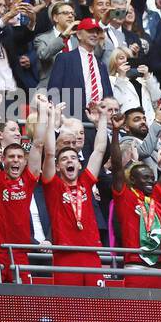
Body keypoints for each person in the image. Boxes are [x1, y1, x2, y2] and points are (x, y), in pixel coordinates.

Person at [107, 104, 161, 288]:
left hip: (160, 269)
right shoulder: (125, 197)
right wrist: (117, 132)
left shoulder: (154, 198)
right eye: (146, 179)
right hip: (135, 268)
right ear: (133, 181)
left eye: (152, 178)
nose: (151, 182)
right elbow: (118, 166)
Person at [41, 98, 108, 286]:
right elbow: (49, 153)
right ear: (58, 166)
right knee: (68, 310)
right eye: (64, 159)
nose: (69, 161)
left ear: (79, 164)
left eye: (73, 158)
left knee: (97, 308)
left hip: (91, 254)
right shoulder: (53, 186)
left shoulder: (85, 182)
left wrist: (102, 120)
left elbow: (99, 150)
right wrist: (52, 124)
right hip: (65, 255)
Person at [0, 93, 43, 283]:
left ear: (24, 162)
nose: (15, 160)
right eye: (11, 157)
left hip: (20, 251)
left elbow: (38, 145)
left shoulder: (29, 180)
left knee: (22, 307)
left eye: (19, 157)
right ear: (3, 159)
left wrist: (44, 113)